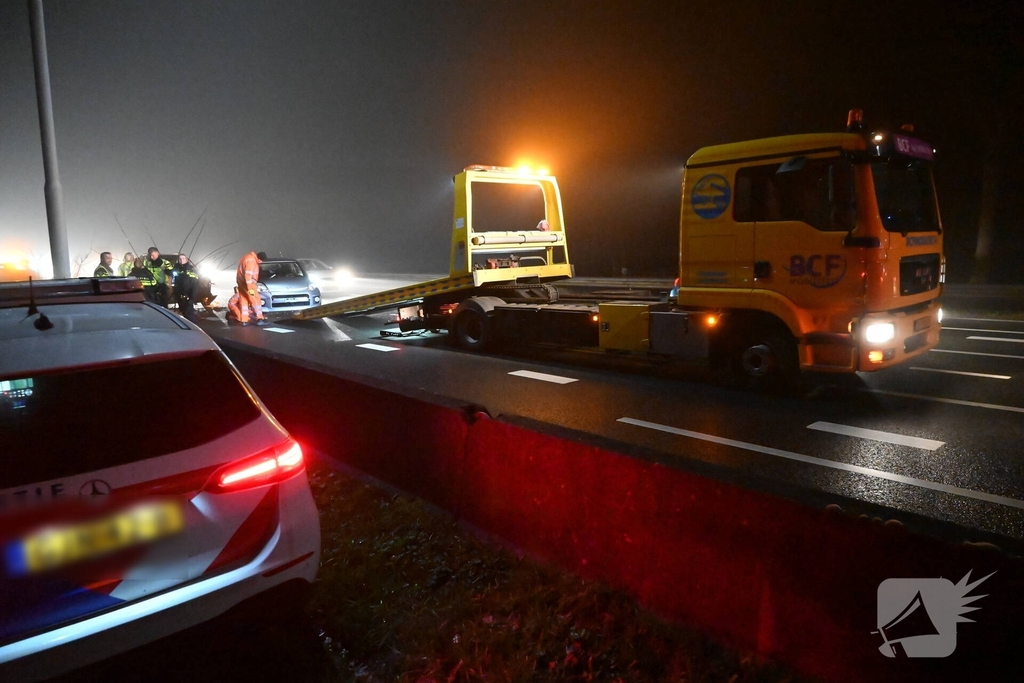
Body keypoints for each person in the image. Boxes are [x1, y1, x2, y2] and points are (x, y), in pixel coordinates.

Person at [235, 250, 267, 325]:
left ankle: (244, 320)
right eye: (261, 261)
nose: (261, 262)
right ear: (259, 258)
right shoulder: (252, 262)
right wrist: (250, 289)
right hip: (249, 284)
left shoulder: (246, 257)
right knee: (256, 300)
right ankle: (260, 318)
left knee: (244, 300)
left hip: (241, 282)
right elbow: (248, 275)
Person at [173, 254, 199, 323]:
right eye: (180, 259)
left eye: (183, 259)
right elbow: (175, 281)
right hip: (179, 296)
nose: (181, 260)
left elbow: (195, 285)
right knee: (183, 312)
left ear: (186, 260)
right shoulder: (177, 269)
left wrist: (192, 297)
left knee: (189, 314)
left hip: (188, 296)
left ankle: (192, 328)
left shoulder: (191, 269)